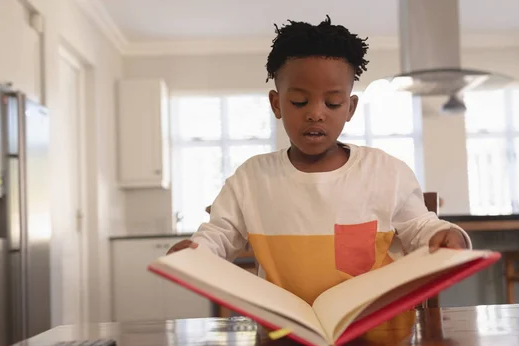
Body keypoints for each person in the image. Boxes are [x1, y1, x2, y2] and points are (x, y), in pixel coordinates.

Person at [167, 16, 471, 305]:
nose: (316, 113)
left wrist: (445, 234)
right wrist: (197, 252)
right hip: (285, 337)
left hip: (378, 335)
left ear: (350, 108)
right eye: (299, 101)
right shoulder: (251, 178)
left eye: (333, 102)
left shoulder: (386, 172)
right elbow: (219, 235)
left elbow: (421, 228)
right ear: (277, 104)